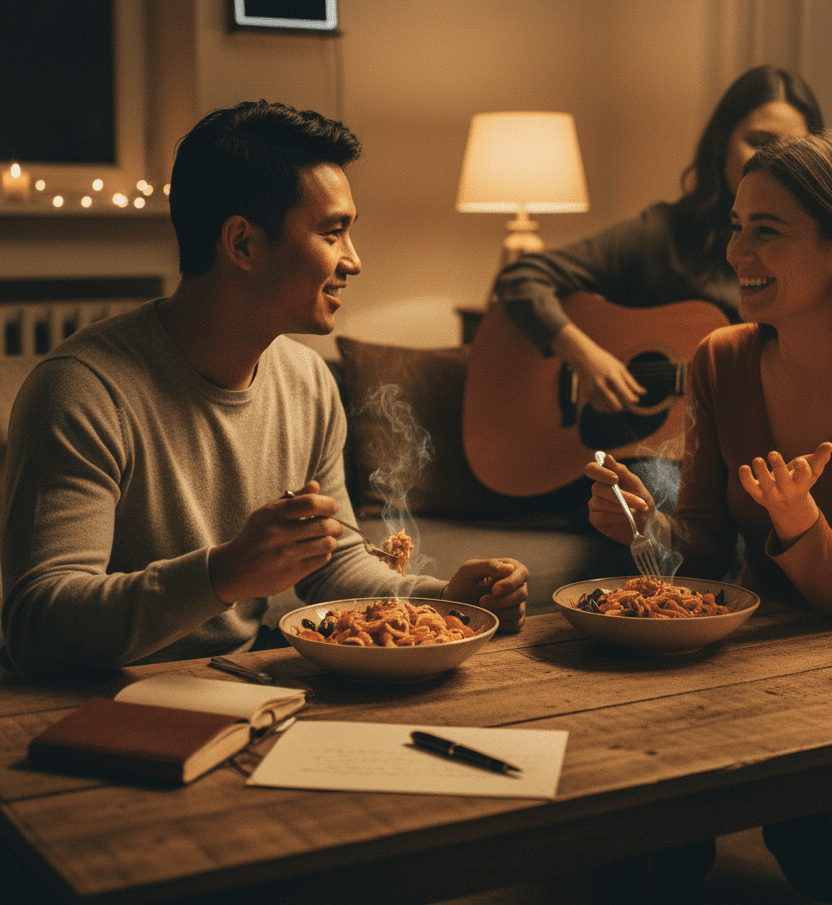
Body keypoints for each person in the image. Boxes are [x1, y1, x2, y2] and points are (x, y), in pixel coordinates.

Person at [0, 101, 528, 678]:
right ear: (243, 244)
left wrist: (443, 597)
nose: (354, 260)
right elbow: (37, 627)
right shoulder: (81, 392)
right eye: (333, 233)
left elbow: (334, 561)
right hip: (99, 703)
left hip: (238, 681)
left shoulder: (307, 381)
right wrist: (223, 574)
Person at [586, 130, 832, 904]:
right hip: (758, 644)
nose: (737, 252)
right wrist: (645, 532)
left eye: (767, 231)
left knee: (830, 853)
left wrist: (799, 525)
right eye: (736, 225)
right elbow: (702, 547)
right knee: (617, 825)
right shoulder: (721, 360)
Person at [495, 65, 823, 417]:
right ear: (721, 144)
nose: (772, 162)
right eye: (759, 142)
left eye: (793, 150)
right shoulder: (661, 233)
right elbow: (521, 278)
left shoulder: (813, 254)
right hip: (636, 445)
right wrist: (585, 357)